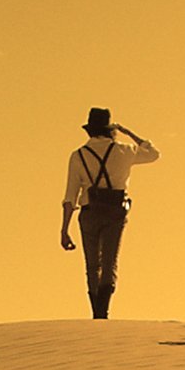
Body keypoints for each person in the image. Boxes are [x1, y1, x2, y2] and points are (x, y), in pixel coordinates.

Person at [60, 108, 159, 319]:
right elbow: (153, 154)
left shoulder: (78, 155)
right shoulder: (124, 150)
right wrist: (128, 132)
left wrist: (64, 229)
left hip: (89, 212)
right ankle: (103, 311)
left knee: (92, 264)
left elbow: (70, 195)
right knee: (109, 263)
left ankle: (96, 311)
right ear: (110, 129)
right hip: (115, 211)